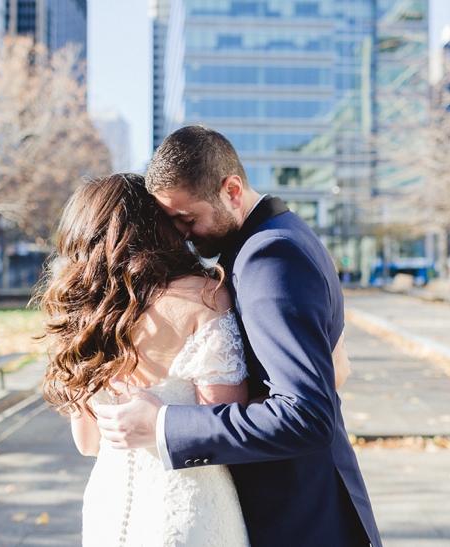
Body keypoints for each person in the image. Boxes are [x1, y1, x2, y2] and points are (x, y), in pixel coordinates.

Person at [95, 126, 383, 547]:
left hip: (298, 520)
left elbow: (306, 416)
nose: (182, 235)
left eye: (187, 219)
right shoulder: (276, 238)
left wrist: (163, 424)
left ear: (232, 190)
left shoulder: (269, 259)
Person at [38, 173, 251, 546]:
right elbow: (225, 434)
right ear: (158, 229)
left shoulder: (79, 316)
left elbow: (89, 444)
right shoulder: (203, 297)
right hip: (189, 511)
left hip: (109, 507)